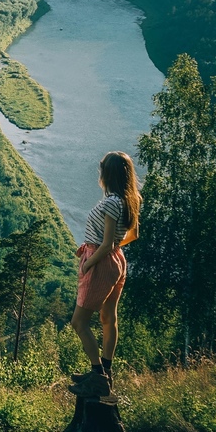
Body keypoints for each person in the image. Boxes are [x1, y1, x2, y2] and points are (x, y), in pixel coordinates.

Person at [69, 151, 140, 398]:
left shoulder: (110, 202)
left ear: (107, 174)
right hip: (118, 262)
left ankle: (97, 374)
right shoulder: (130, 200)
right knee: (109, 318)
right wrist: (112, 250)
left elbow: (107, 242)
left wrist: (90, 263)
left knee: (79, 322)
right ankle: (105, 373)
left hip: (102, 261)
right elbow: (131, 236)